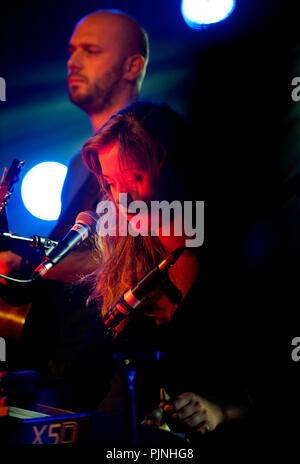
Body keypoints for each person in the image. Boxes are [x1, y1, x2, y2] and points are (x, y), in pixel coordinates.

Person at [60, 101, 252, 443]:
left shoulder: (240, 261)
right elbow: (83, 379)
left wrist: (222, 410)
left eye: (136, 177)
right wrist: (36, 388)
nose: (123, 199)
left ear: (175, 168)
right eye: (110, 182)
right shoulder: (128, 268)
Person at [0, 10, 149, 380]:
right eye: (70, 51)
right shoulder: (78, 163)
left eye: (91, 50)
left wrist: (27, 268)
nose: (72, 61)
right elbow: (82, 253)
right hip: (61, 361)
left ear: (133, 66)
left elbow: (136, 264)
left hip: (108, 367)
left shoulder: (149, 149)